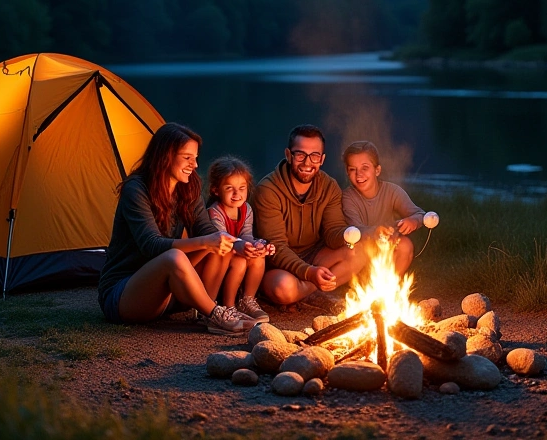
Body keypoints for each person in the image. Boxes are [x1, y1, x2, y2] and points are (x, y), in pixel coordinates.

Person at [97, 123, 251, 334]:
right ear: (166, 156)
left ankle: (207, 312)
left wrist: (242, 245)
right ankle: (215, 314)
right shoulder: (136, 189)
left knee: (218, 245)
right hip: (123, 294)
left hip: (166, 294)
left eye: (195, 158)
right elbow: (151, 245)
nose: (194, 165)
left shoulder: (188, 186)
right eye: (187, 158)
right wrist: (205, 241)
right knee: (175, 257)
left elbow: (207, 230)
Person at [254, 124, 366, 312]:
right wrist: (309, 272)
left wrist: (350, 234)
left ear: (322, 159)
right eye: (300, 155)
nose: (307, 163)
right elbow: (278, 247)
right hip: (277, 263)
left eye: (314, 156)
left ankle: (307, 292)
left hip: (315, 256)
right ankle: (312, 293)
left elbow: (332, 232)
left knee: (362, 251)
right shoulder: (268, 190)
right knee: (284, 288)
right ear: (288, 155)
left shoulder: (329, 186)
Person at [206, 156, 274, 323]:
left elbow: (246, 234)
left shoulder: (246, 209)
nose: (237, 194)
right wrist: (242, 245)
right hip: (218, 259)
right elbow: (222, 239)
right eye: (229, 188)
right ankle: (229, 306)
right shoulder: (214, 212)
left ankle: (247, 300)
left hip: (237, 250)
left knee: (258, 256)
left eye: (242, 188)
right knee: (240, 261)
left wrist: (257, 245)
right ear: (216, 189)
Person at [341, 140, 425, 276]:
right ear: (347, 172)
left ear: (377, 170)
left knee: (405, 245)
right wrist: (375, 231)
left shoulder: (392, 191)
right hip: (360, 251)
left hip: (388, 248)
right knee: (356, 250)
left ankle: (390, 287)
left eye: (365, 168)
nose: (359, 174)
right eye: (352, 169)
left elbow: (420, 214)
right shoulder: (348, 197)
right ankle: (361, 283)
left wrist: (414, 221)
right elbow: (355, 229)